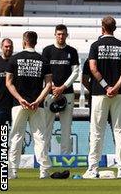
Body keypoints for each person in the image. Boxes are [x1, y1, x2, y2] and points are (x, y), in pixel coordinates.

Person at [84, 16, 121, 179]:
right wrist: (116, 87)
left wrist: (106, 86)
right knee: (120, 131)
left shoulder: (95, 45)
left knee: (97, 131)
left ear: (102, 28)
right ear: (115, 28)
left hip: (99, 92)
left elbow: (93, 68)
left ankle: (93, 169)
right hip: (118, 94)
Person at [5, 31, 52, 179]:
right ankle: (43, 171)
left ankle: (12, 172)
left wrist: (20, 99)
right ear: (35, 42)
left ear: (24, 41)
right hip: (37, 106)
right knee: (40, 138)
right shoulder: (43, 60)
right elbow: (49, 84)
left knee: (16, 137)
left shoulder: (14, 59)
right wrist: (38, 101)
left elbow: (8, 83)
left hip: (19, 105)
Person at [42, 24, 79, 154]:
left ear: (66, 35)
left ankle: (65, 157)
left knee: (66, 126)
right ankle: (44, 156)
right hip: (49, 92)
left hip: (67, 93)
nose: (61, 36)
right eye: (58, 34)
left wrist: (62, 88)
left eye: (63, 34)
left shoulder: (72, 51)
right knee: (47, 125)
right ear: (55, 35)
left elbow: (75, 72)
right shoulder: (47, 51)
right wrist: (52, 86)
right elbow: (44, 71)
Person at [0, 38, 13, 130]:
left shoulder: (16, 62)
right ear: (1, 47)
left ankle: (5, 145)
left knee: (14, 131)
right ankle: (2, 145)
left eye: (10, 47)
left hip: (14, 104)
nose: (8, 48)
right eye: (6, 46)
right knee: (0, 130)